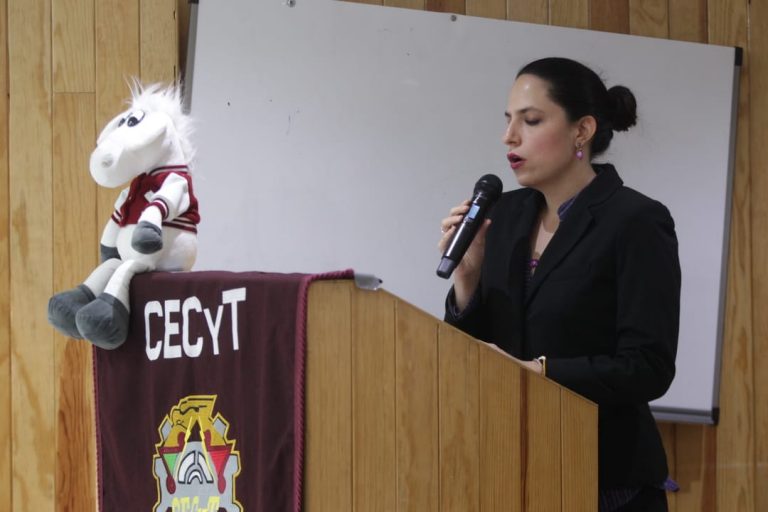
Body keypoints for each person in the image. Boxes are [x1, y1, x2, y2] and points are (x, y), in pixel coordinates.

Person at [439, 57, 680, 512]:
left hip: (605, 480)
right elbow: (476, 355)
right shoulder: (504, 214)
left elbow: (648, 366)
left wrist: (539, 373)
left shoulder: (635, 221)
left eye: (530, 121)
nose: (509, 136)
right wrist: (467, 280)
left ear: (582, 130)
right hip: (510, 469)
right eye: (508, 121)